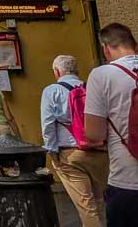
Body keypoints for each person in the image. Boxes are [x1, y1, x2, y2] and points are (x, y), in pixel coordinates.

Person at [83, 23, 138, 226]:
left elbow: (94, 133)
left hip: (128, 182)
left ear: (106, 48)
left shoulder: (101, 75)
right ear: (136, 45)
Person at [41, 54, 108, 227]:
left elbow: (48, 125)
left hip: (70, 154)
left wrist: (52, 151)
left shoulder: (52, 91)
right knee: (99, 201)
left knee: (86, 206)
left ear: (57, 71)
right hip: (98, 151)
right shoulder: (92, 88)